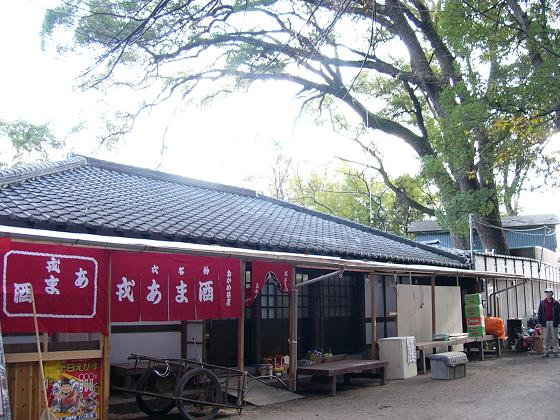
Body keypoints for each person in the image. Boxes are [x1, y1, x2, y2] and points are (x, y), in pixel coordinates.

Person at [537, 288, 560, 357]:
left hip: (554, 322)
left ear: (552, 294)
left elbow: (559, 313)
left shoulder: (556, 303)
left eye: (549, 293)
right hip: (545, 322)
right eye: (546, 293)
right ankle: (546, 352)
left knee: (554, 337)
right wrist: (539, 322)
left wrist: (559, 322)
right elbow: (540, 313)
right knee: (545, 337)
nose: (547, 294)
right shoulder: (542, 303)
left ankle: (556, 351)